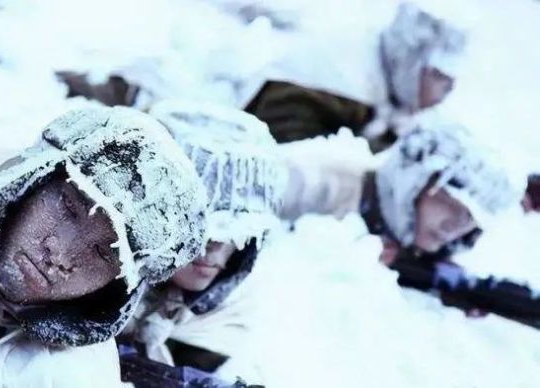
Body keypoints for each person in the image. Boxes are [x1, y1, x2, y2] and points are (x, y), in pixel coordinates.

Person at [0, 106, 208, 387]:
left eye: (103, 253)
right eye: (67, 209)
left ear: (116, 288)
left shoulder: (63, 377)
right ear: (31, 180)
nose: (60, 256)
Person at [118, 100, 287, 387]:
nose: (216, 247)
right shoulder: (92, 264)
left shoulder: (232, 306)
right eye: (204, 226)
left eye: (239, 232)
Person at [279, 117, 522, 264]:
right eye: (451, 202)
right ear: (418, 179)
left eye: (471, 218)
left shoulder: (423, 257)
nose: (454, 225)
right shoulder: (313, 178)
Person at [245, 2, 467, 152]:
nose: (447, 91)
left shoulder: (390, 92)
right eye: (440, 77)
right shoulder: (339, 83)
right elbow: (278, 159)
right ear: (410, 62)